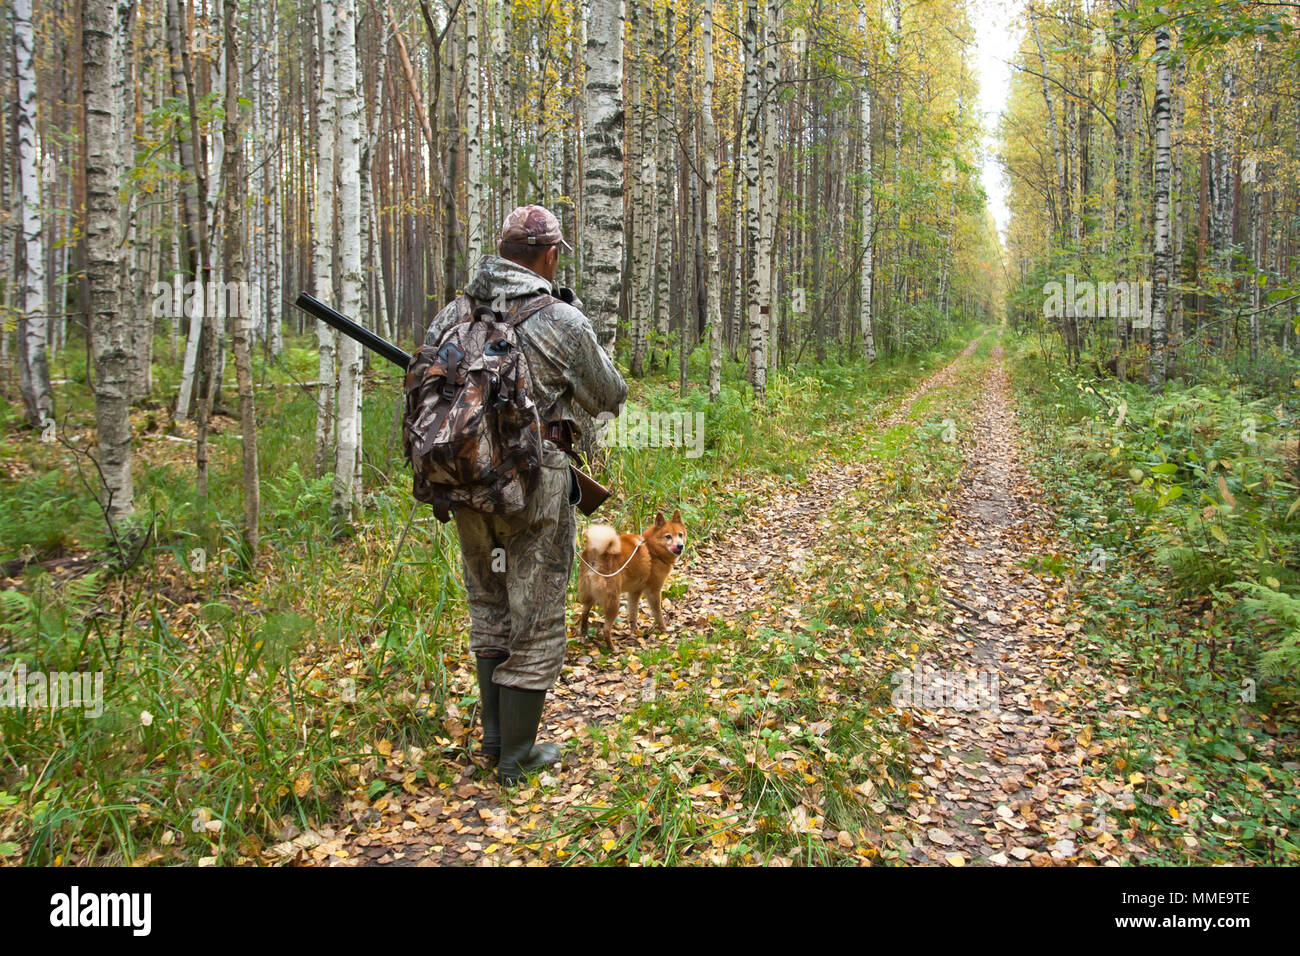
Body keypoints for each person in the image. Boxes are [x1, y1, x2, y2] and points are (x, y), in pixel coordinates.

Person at [423, 205, 627, 784]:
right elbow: (610, 393)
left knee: (489, 603)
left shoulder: (452, 316)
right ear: (550, 254)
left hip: (468, 490)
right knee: (534, 615)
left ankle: (493, 738)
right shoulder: (562, 320)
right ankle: (517, 755)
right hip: (536, 488)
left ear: (501, 251)